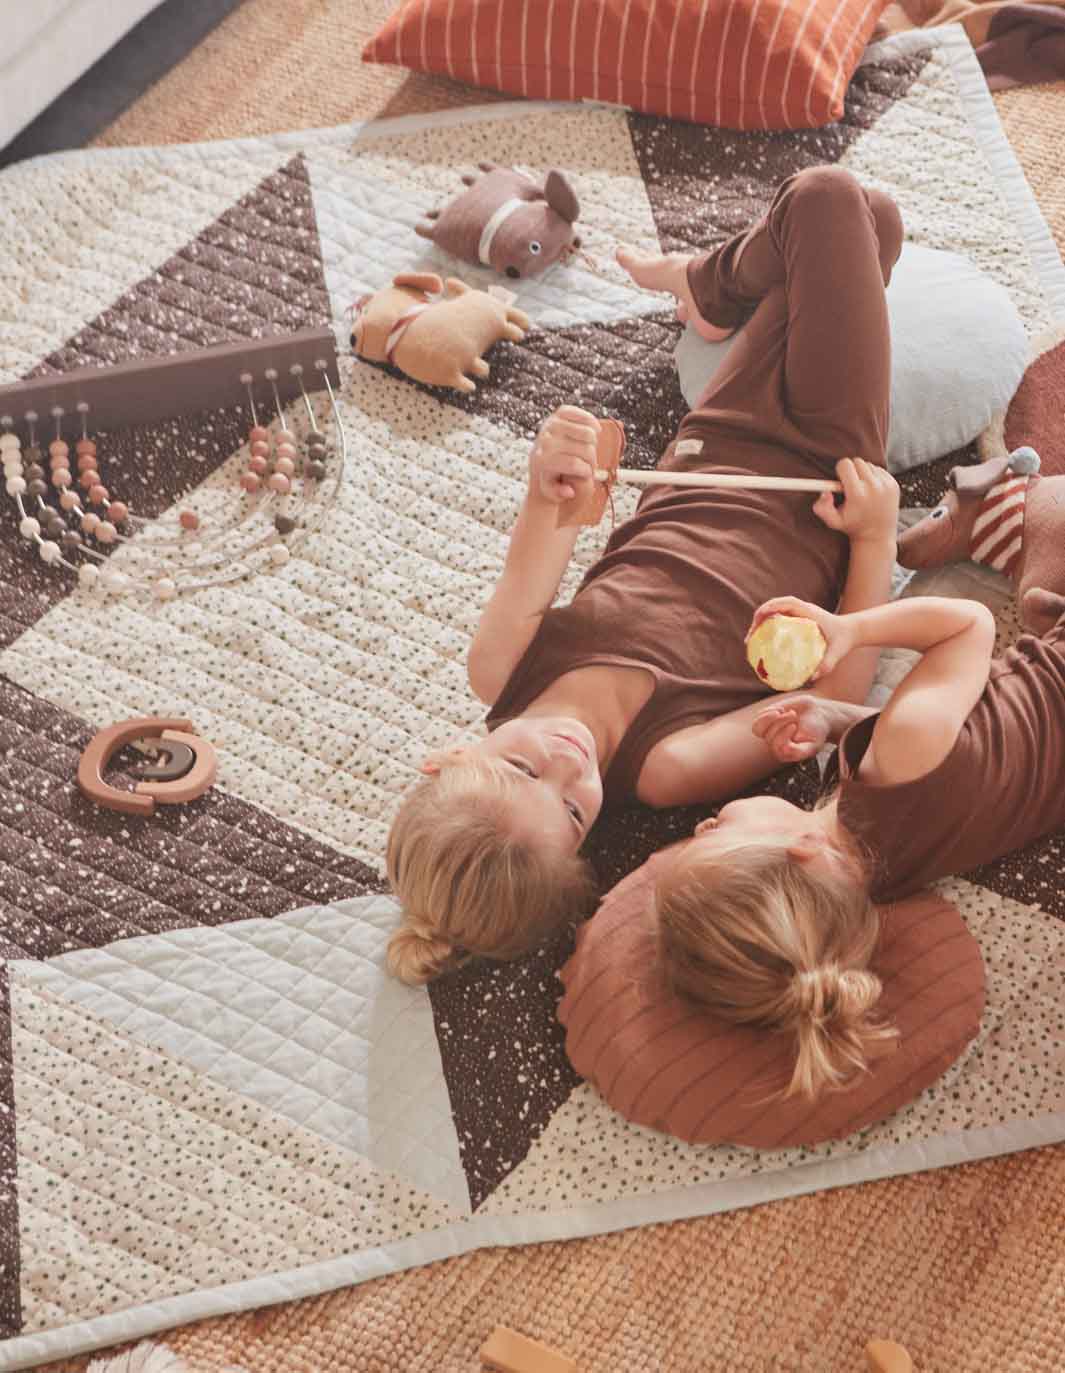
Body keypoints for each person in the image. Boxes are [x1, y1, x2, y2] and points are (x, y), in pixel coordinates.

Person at [387, 166, 904, 984]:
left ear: (448, 755)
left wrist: (556, 468)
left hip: (708, 447)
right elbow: (835, 695)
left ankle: (709, 286)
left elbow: (553, 512)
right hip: (822, 475)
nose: (568, 763)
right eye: (572, 810)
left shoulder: (499, 668)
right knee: (849, 208)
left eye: (523, 768)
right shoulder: (666, 767)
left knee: (842, 219)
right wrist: (876, 538)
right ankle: (708, 284)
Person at [656, 587, 1065, 1100]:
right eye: (715, 828)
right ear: (803, 846)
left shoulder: (886, 872)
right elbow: (968, 624)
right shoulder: (902, 753)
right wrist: (850, 631)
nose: (701, 825)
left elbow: (952, 748)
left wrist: (830, 719)